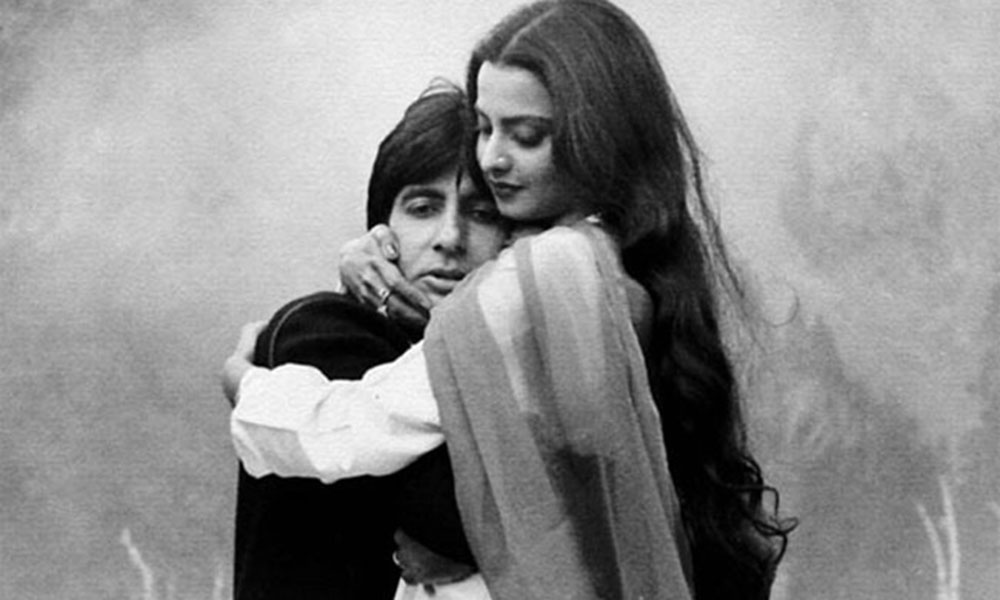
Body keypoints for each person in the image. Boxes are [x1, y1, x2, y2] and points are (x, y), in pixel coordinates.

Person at [225, 1, 795, 598]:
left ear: (599, 138)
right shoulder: (629, 270)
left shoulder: (548, 275)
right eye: (484, 128)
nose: (493, 158)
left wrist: (246, 384)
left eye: (526, 136)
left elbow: (358, 431)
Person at [228, 82, 504, 599]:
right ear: (381, 232)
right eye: (422, 208)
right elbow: (450, 513)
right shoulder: (324, 331)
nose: (450, 237)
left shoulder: (478, 354)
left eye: (482, 213)